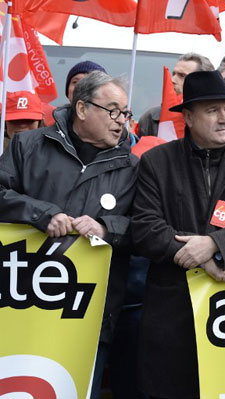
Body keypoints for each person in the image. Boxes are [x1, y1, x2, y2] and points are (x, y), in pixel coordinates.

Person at [131, 70, 225, 399]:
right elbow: (144, 226)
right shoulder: (157, 162)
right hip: (172, 315)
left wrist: (215, 245)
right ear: (188, 117)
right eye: (213, 111)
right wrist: (198, 260)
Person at [0, 71, 138, 398]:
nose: (121, 121)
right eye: (113, 110)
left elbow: (146, 229)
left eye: (126, 113)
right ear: (82, 109)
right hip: (20, 307)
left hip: (85, 316)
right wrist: (40, 214)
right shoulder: (27, 146)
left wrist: (108, 228)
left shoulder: (133, 168)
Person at [137, 52, 214, 137]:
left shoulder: (214, 119)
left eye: (182, 76)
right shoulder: (151, 118)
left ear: (202, 83)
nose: (172, 80)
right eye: (173, 74)